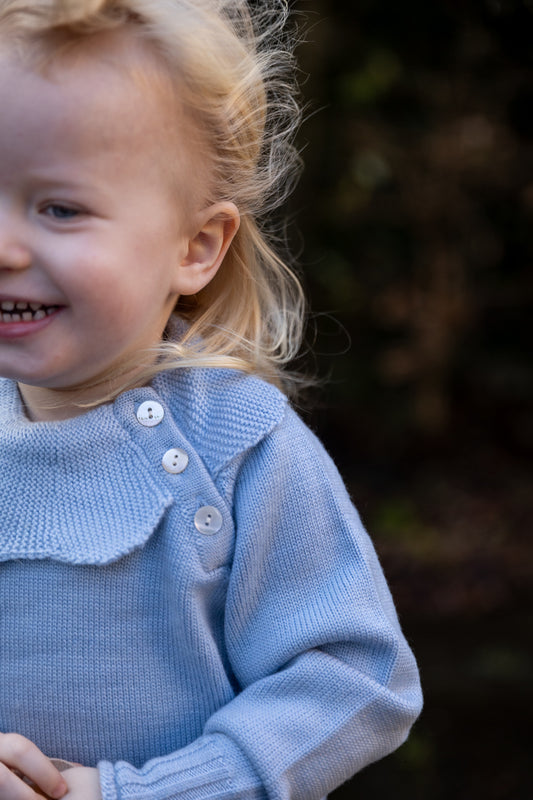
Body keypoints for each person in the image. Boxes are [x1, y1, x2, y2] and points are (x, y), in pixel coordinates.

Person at [0, 1, 423, 798]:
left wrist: (133, 792)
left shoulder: (233, 445)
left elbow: (354, 678)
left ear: (195, 248)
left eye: (60, 208)